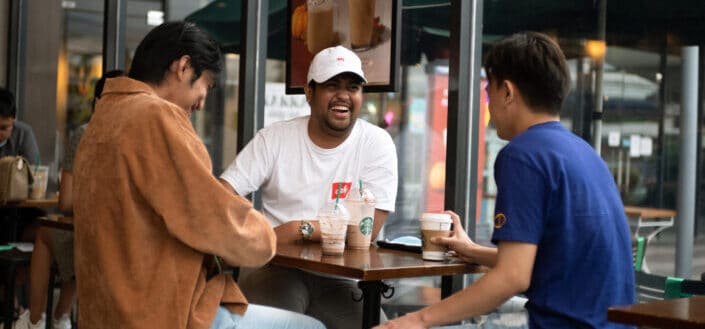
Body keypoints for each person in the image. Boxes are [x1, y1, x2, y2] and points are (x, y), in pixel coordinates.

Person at [71, 21, 324, 329]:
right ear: (183, 66)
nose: (203, 102)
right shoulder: (155, 116)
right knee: (311, 327)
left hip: (107, 313)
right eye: (206, 85)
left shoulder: (105, 115)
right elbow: (211, 217)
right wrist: (267, 235)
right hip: (159, 313)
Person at [374, 32, 635, 329]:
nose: (488, 105)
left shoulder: (523, 155)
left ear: (507, 92)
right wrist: (471, 251)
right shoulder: (583, 152)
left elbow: (513, 276)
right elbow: (544, 262)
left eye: (489, 92)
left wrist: (417, 320)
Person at [219, 45, 398, 329]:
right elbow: (221, 195)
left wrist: (297, 229)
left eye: (353, 87)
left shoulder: (376, 143)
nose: (343, 95)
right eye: (332, 85)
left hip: (343, 279)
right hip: (276, 269)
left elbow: (367, 229)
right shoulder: (275, 138)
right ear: (309, 92)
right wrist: (245, 232)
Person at [12, 70, 124, 329]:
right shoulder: (136, 135)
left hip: (93, 237)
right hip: (121, 238)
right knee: (71, 233)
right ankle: (61, 317)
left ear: (98, 102)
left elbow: (65, 202)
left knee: (45, 232)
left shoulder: (86, 133)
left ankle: (35, 320)